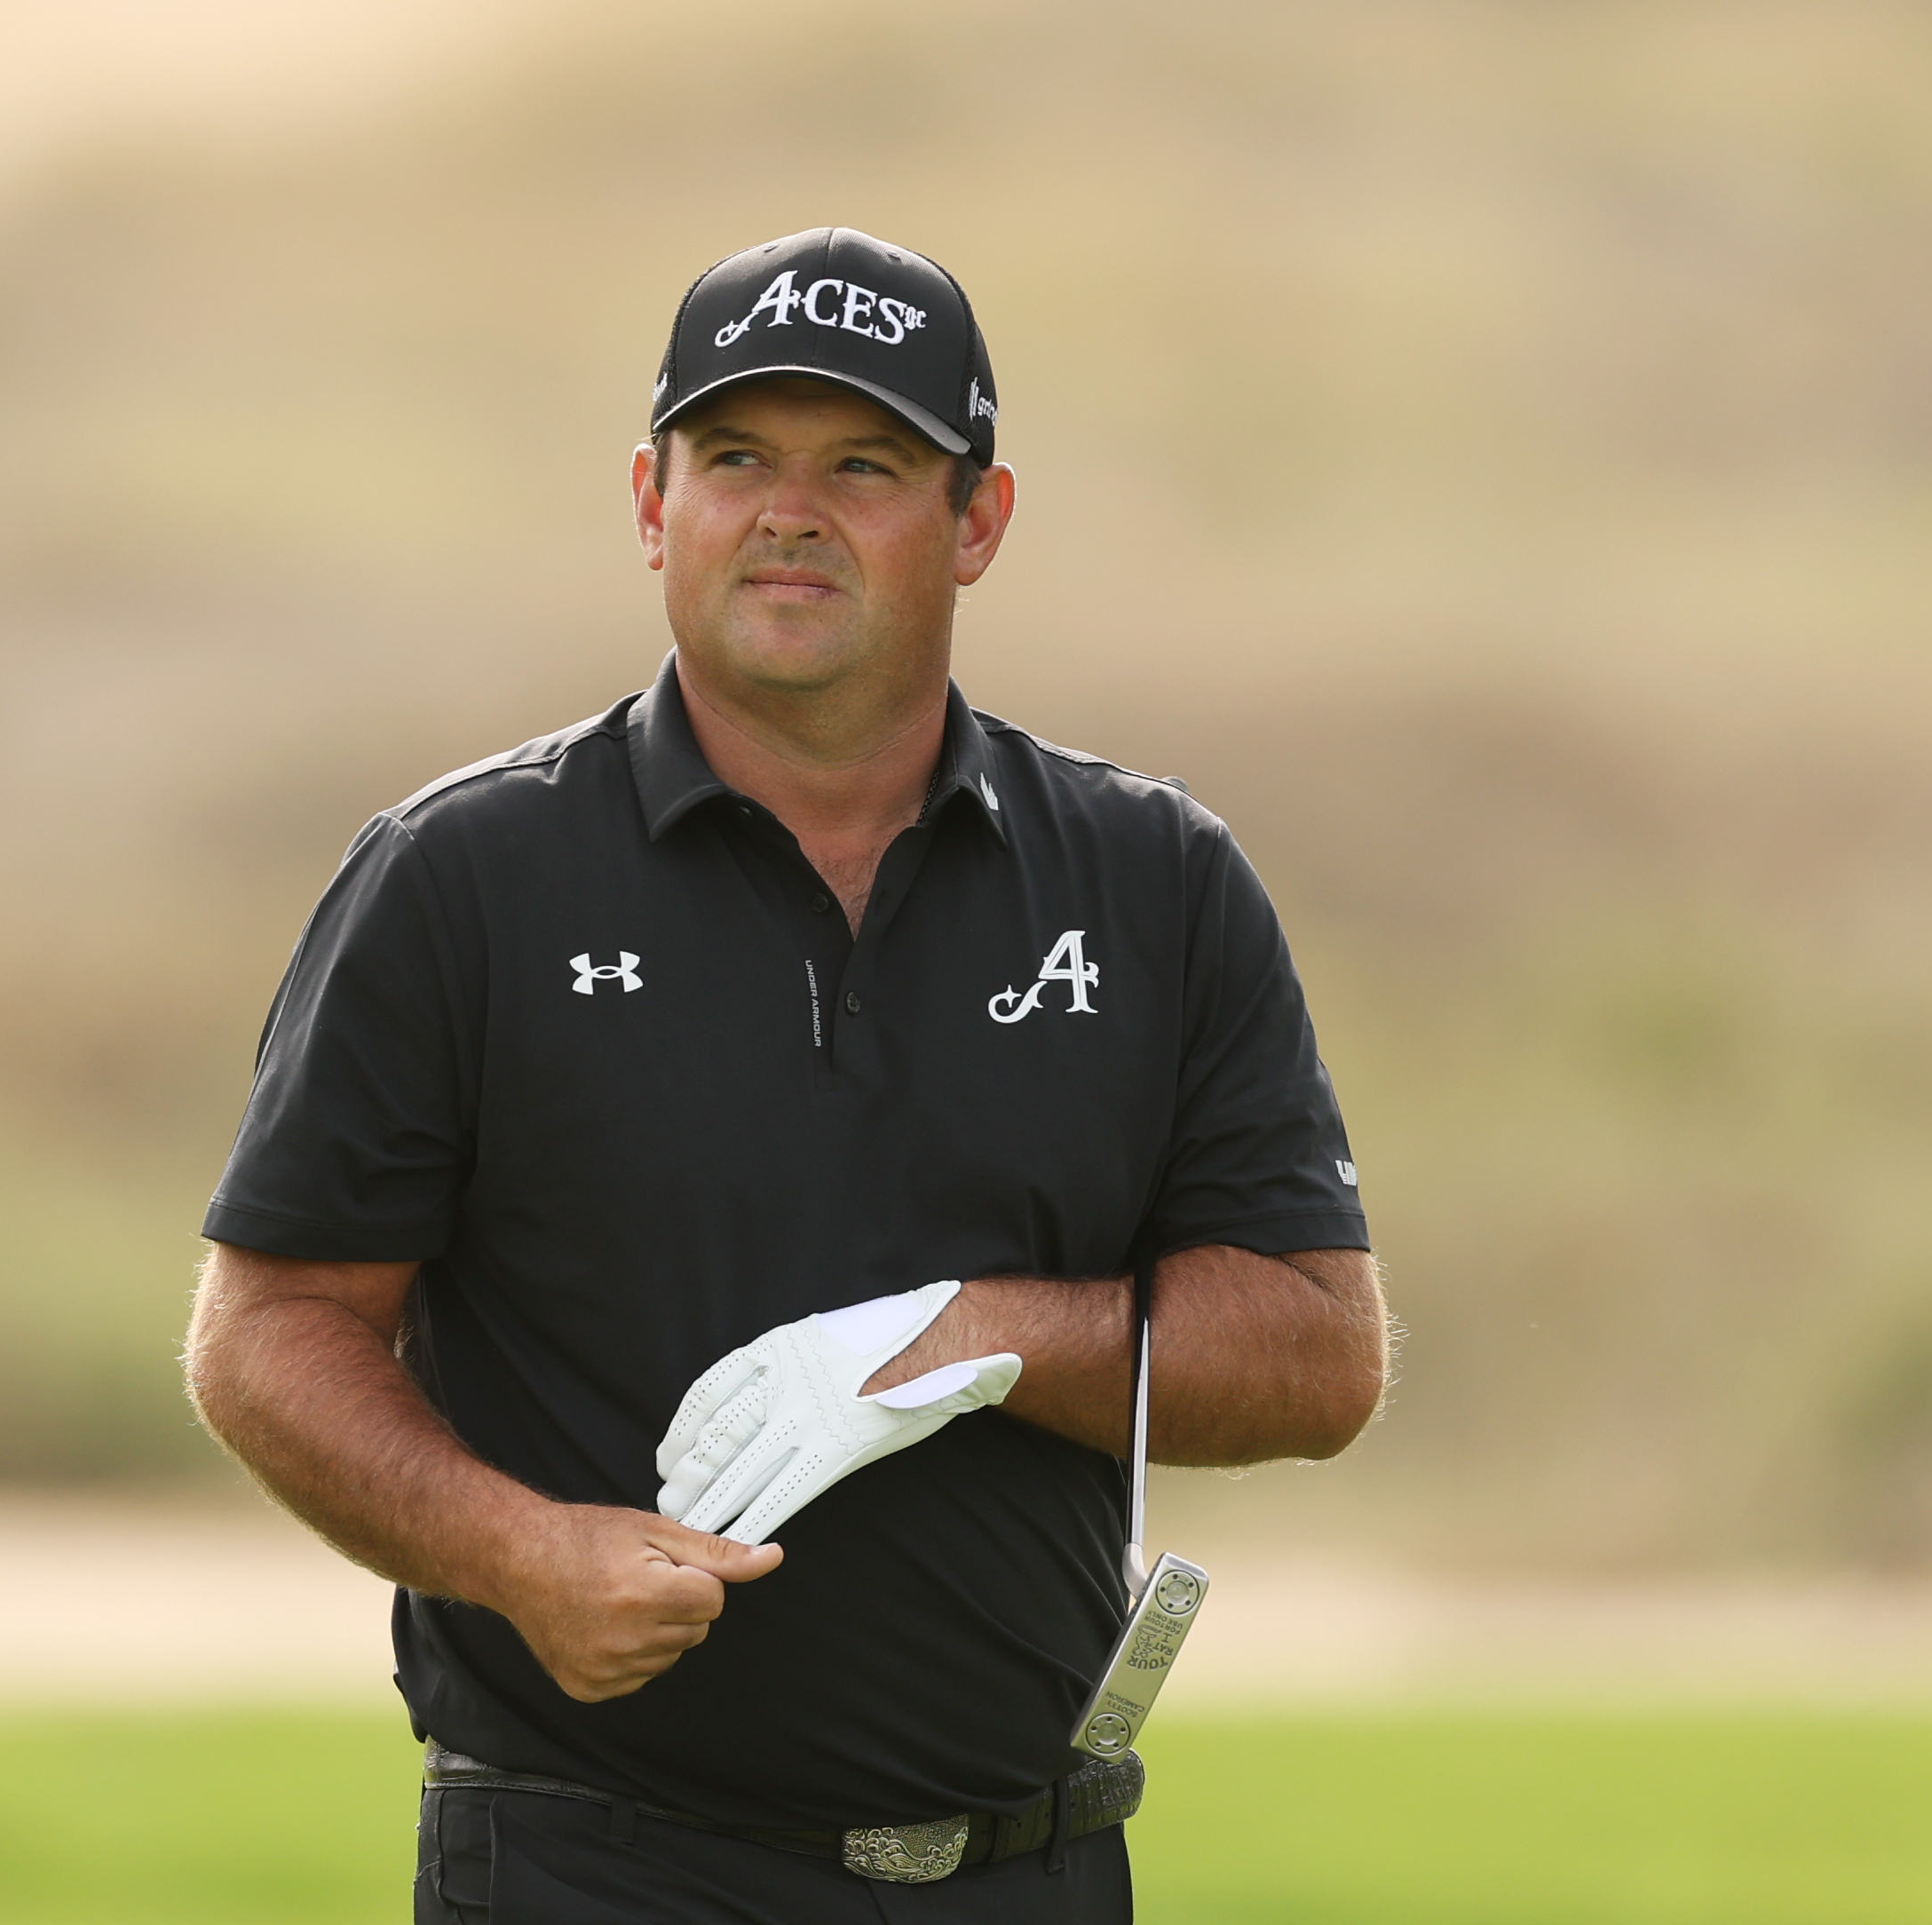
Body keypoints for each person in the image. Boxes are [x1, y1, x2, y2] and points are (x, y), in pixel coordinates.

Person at [184, 226, 1389, 1923]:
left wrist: (969, 1343)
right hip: (595, 1865)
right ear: (650, 501)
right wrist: (522, 1558)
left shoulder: (1150, 879)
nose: (787, 511)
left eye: (865, 465)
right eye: (734, 457)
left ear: (977, 523)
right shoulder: (467, 878)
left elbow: (1317, 1354)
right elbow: (269, 1330)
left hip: (1023, 1872)